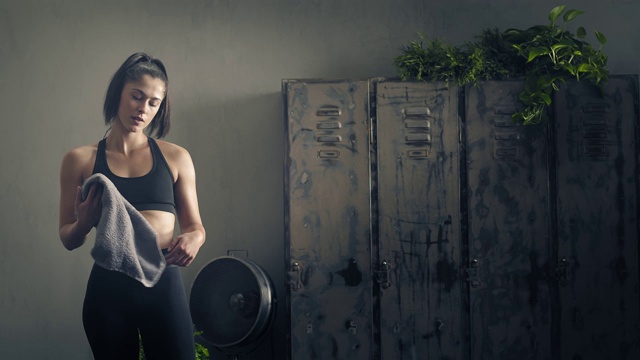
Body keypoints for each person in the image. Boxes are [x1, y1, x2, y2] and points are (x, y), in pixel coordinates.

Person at [58, 52, 206, 359]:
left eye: (154, 102)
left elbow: (195, 227)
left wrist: (193, 238)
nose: (143, 109)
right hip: (108, 286)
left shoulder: (176, 157)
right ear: (118, 95)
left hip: (162, 279)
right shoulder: (80, 159)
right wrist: (84, 223)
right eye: (136, 97)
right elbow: (67, 238)